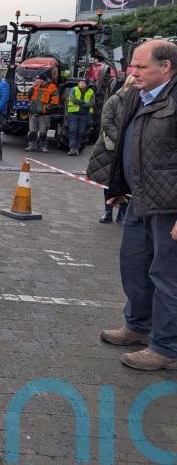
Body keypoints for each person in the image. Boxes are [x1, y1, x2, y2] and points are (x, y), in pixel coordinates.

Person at [88, 39, 177, 371]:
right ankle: (138, 327)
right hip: (139, 198)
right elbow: (126, 142)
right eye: (132, 65)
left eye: (141, 67)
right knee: (135, 265)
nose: (132, 72)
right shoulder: (138, 96)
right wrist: (118, 186)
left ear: (165, 67)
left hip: (168, 205)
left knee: (167, 276)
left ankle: (165, 347)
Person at [90, 74, 136, 223]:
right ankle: (107, 212)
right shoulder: (115, 100)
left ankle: (122, 214)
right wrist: (122, 140)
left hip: (131, 147)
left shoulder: (140, 102)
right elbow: (107, 122)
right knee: (108, 180)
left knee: (128, 181)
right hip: (111, 147)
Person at [24, 72, 59, 153]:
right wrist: (32, 87)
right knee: (32, 131)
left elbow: (55, 101)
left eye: (38, 79)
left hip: (44, 114)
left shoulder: (52, 87)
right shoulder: (35, 86)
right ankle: (31, 145)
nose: (36, 81)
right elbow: (28, 96)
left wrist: (45, 108)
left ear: (43, 80)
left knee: (43, 131)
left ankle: (43, 146)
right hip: (34, 113)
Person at [65, 78, 95, 155]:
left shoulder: (91, 92)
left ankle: (77, 149)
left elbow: (91, 104)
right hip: (73, 114)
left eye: (83, 83)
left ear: (87, 85)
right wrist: (84, 102)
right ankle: (72, 148)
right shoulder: (73, 90)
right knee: (73, 130)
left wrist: (80, 103)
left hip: (84, 115)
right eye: (80, 83)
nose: (81, 84)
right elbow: (73, 100)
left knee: (81, 132)